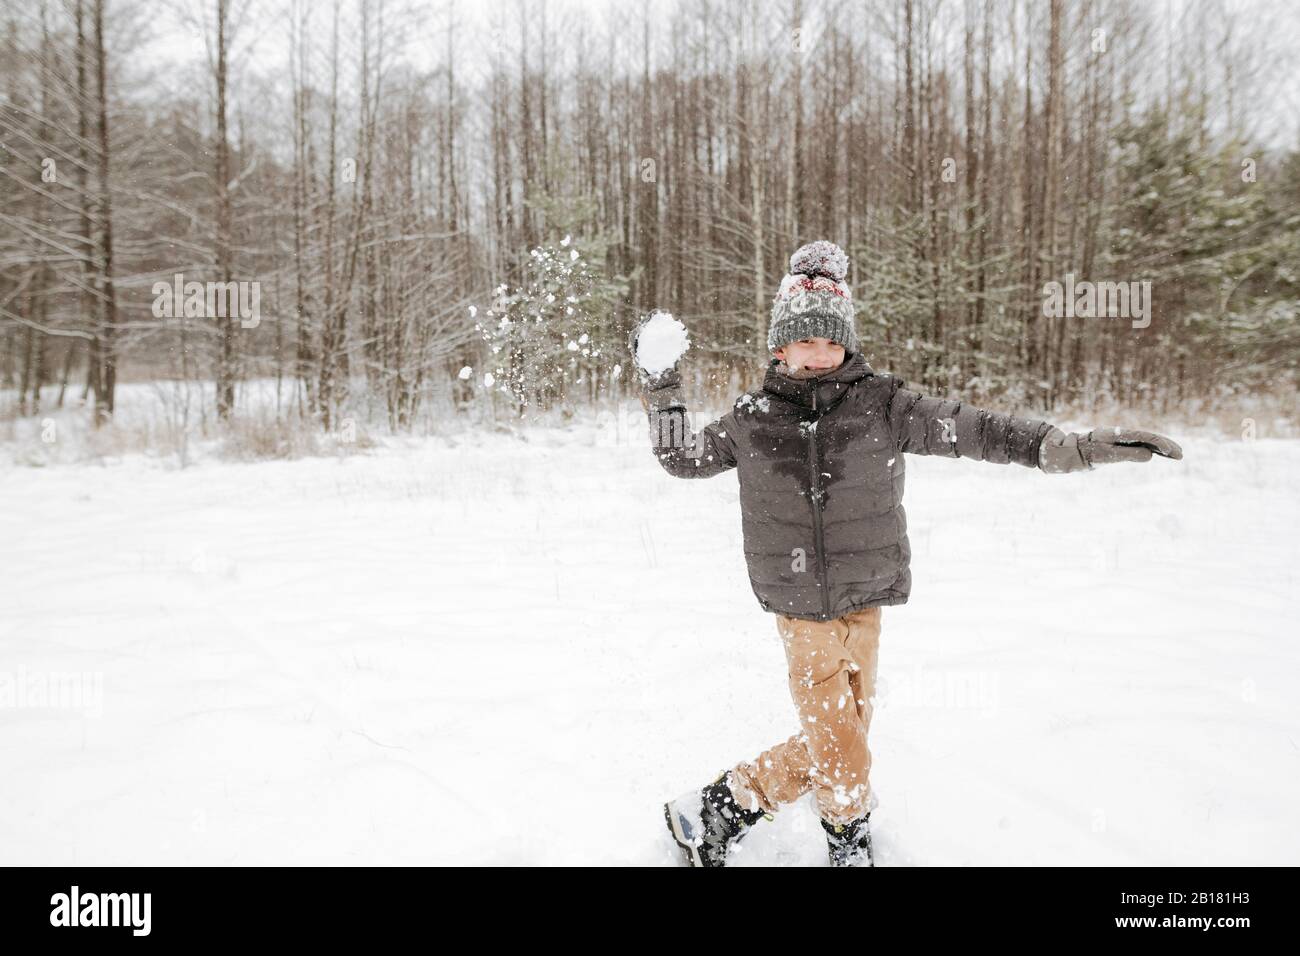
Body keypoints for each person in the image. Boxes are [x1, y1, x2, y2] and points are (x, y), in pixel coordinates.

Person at [636, 239, 1183, 867]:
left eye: (831, 340)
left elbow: (976, 429)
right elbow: (682, 458)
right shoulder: (752, 419)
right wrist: (662, 383)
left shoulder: (884, 405)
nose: (820, 354)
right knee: (840, 745)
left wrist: (1071, 447)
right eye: (805, 341)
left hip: (867, 599)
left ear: (847, 342)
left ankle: (710, 812)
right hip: (800, 608)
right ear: (779, 346)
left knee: (843, 738)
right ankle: (849, 848)